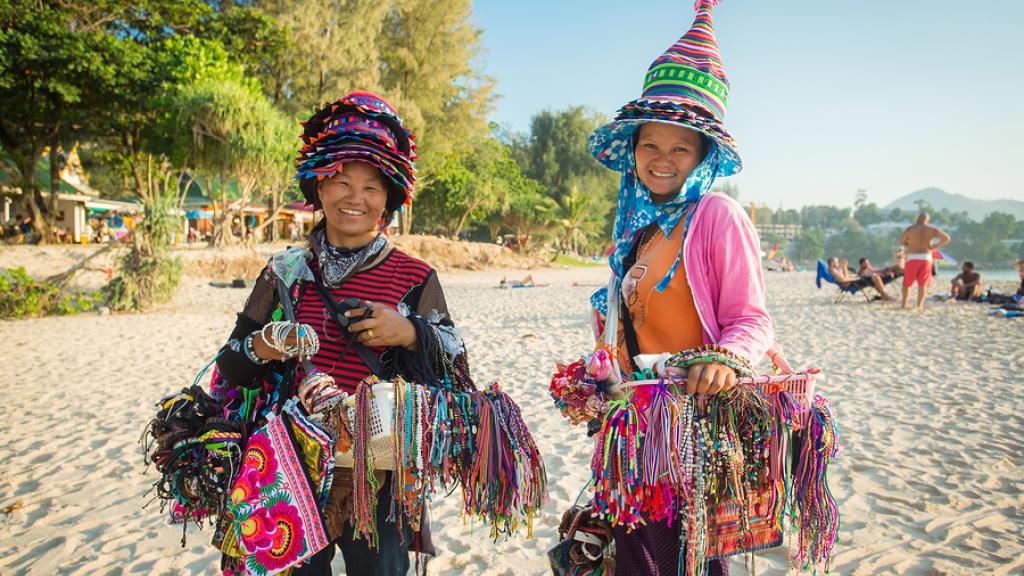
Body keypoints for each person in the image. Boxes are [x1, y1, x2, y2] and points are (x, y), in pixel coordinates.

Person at [214, 92, 475, 576]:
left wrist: (411, 332)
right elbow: (228, 365)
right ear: (317, 187)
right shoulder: (284, 272)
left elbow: (457, 368)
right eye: (339, 181)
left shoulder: (415, 276)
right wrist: (265, 345)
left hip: (379, 468)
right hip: (289, 465)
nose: (354, 197)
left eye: (372, 187)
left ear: (389, 200)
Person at [586, 3, 773, 573]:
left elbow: (754, 320)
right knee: (639, 560)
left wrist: (725, 360)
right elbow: (627, 332)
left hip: (703, 429)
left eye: (679, 148)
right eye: (650, 146)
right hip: (639, 430)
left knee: (698, 561)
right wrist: (597, 382)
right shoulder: (636, 236)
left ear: (701, 157)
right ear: (633, 152)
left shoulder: (716, 215)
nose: (661, 161)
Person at [899, 212, 951, 310]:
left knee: (907, 283)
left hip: (912, 257)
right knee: (922, 283)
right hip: (926, 257)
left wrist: (908, 245)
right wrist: (935, 247)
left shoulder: (910, 229)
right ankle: (919, 306)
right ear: (927, 220)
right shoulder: (932, 229)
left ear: (917, 218)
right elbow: (947, 238)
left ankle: (904, 305)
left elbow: (902, 241)